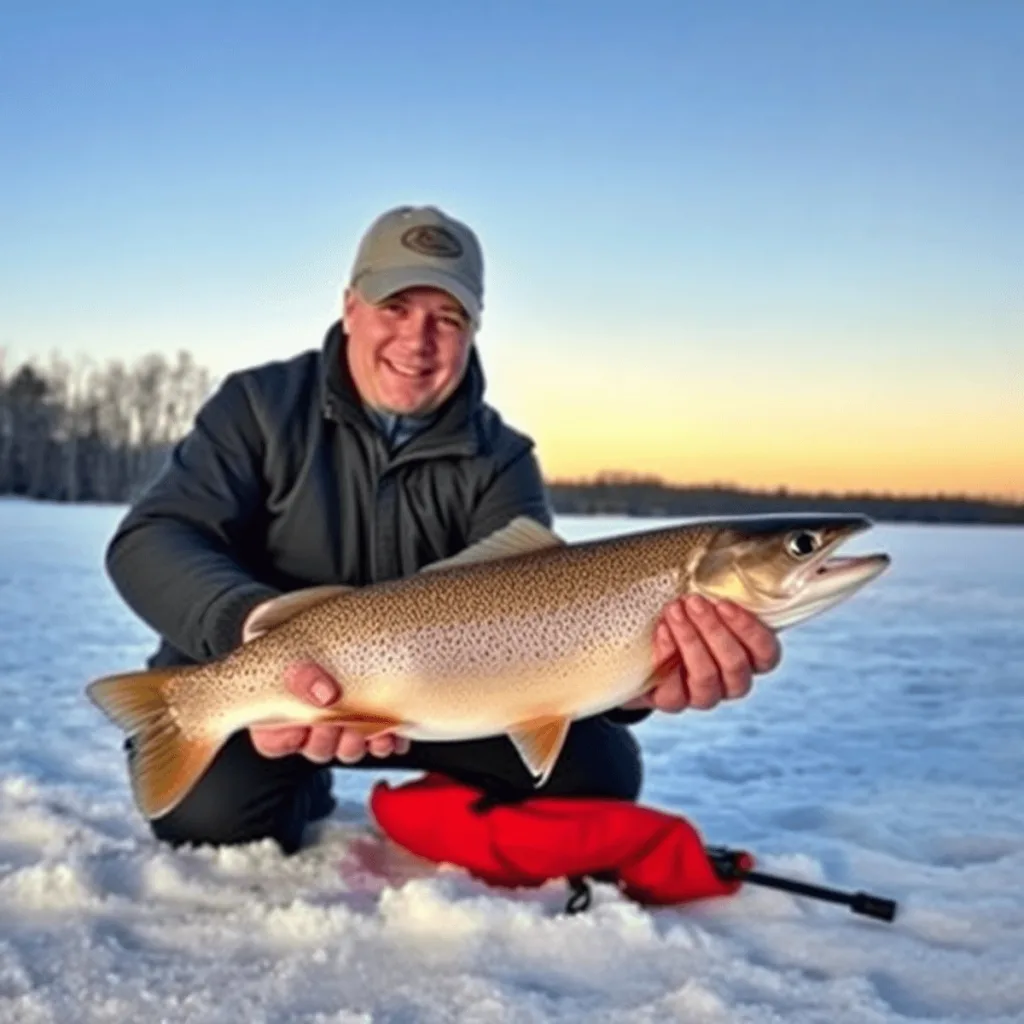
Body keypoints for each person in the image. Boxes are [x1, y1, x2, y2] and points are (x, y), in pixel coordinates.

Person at [105, 205, 781, 856]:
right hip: (275, 689)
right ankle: (297, 783)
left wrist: (637, 678)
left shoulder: (501, 456)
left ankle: (424, 807)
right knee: (206, 820)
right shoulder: (257, 407)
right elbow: (154, 537)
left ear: (473, 330)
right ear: (350, 307)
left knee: (598, 780)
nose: (417, 339)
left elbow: (540, 607)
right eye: (395, 307)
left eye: (447, 317)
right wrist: (249, 625)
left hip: (442, 692)